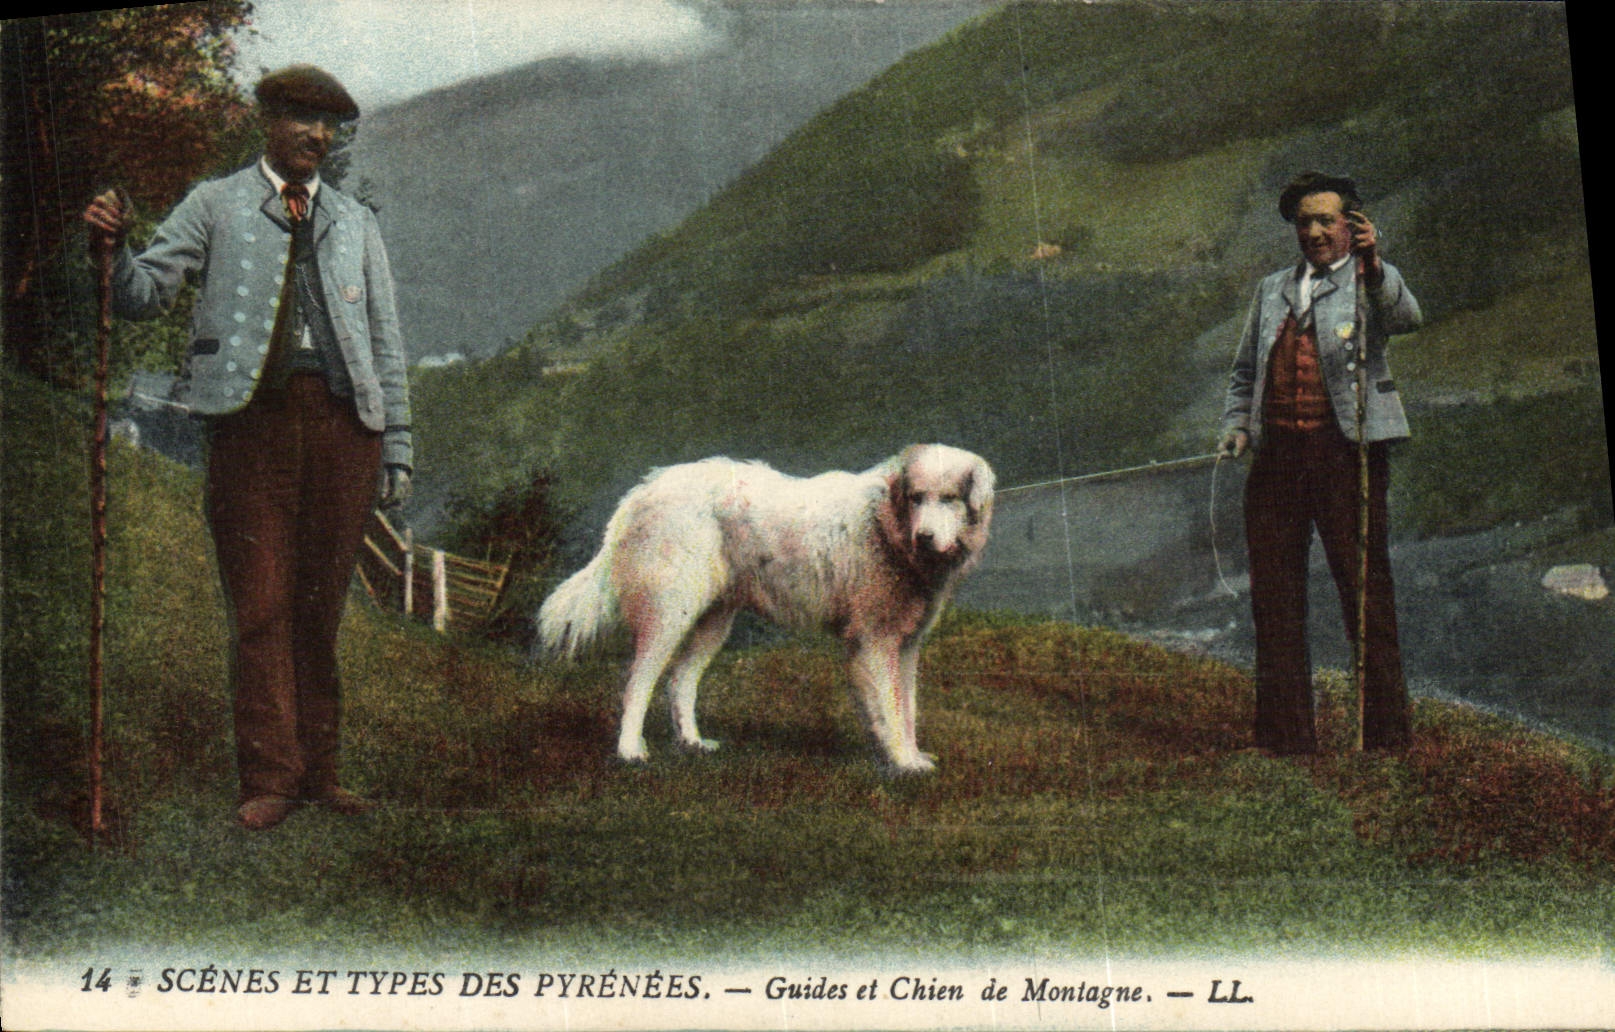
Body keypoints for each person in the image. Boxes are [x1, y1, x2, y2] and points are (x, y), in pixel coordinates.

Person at [83, 65, 413, 829]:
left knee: (319, 611)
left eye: (329, 127)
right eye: (302, 119)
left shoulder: (355, 221)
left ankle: (322, 775)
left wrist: (395, 443)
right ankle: (270, 779)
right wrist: (113, 247)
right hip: (247, 430)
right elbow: (141, 295)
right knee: (260, 607)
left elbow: (386, 341)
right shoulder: (214, 203)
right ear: (267, 120)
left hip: (344, 432)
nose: (318, 137)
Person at [1218, 171, 1422, 755]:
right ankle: (1286, 739)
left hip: (1346, 456)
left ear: (1351, 226)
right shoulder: (1272, 289)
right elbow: (1244, 374)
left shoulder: (1372, 281)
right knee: (1275, 598)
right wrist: (1238, 425)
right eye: (1304, 221)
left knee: (1365, 593)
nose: (1313, 231)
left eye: (1326, 220)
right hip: (1277, 461)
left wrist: (1375, 262)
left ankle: (1385, 739)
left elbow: (1407, 318)